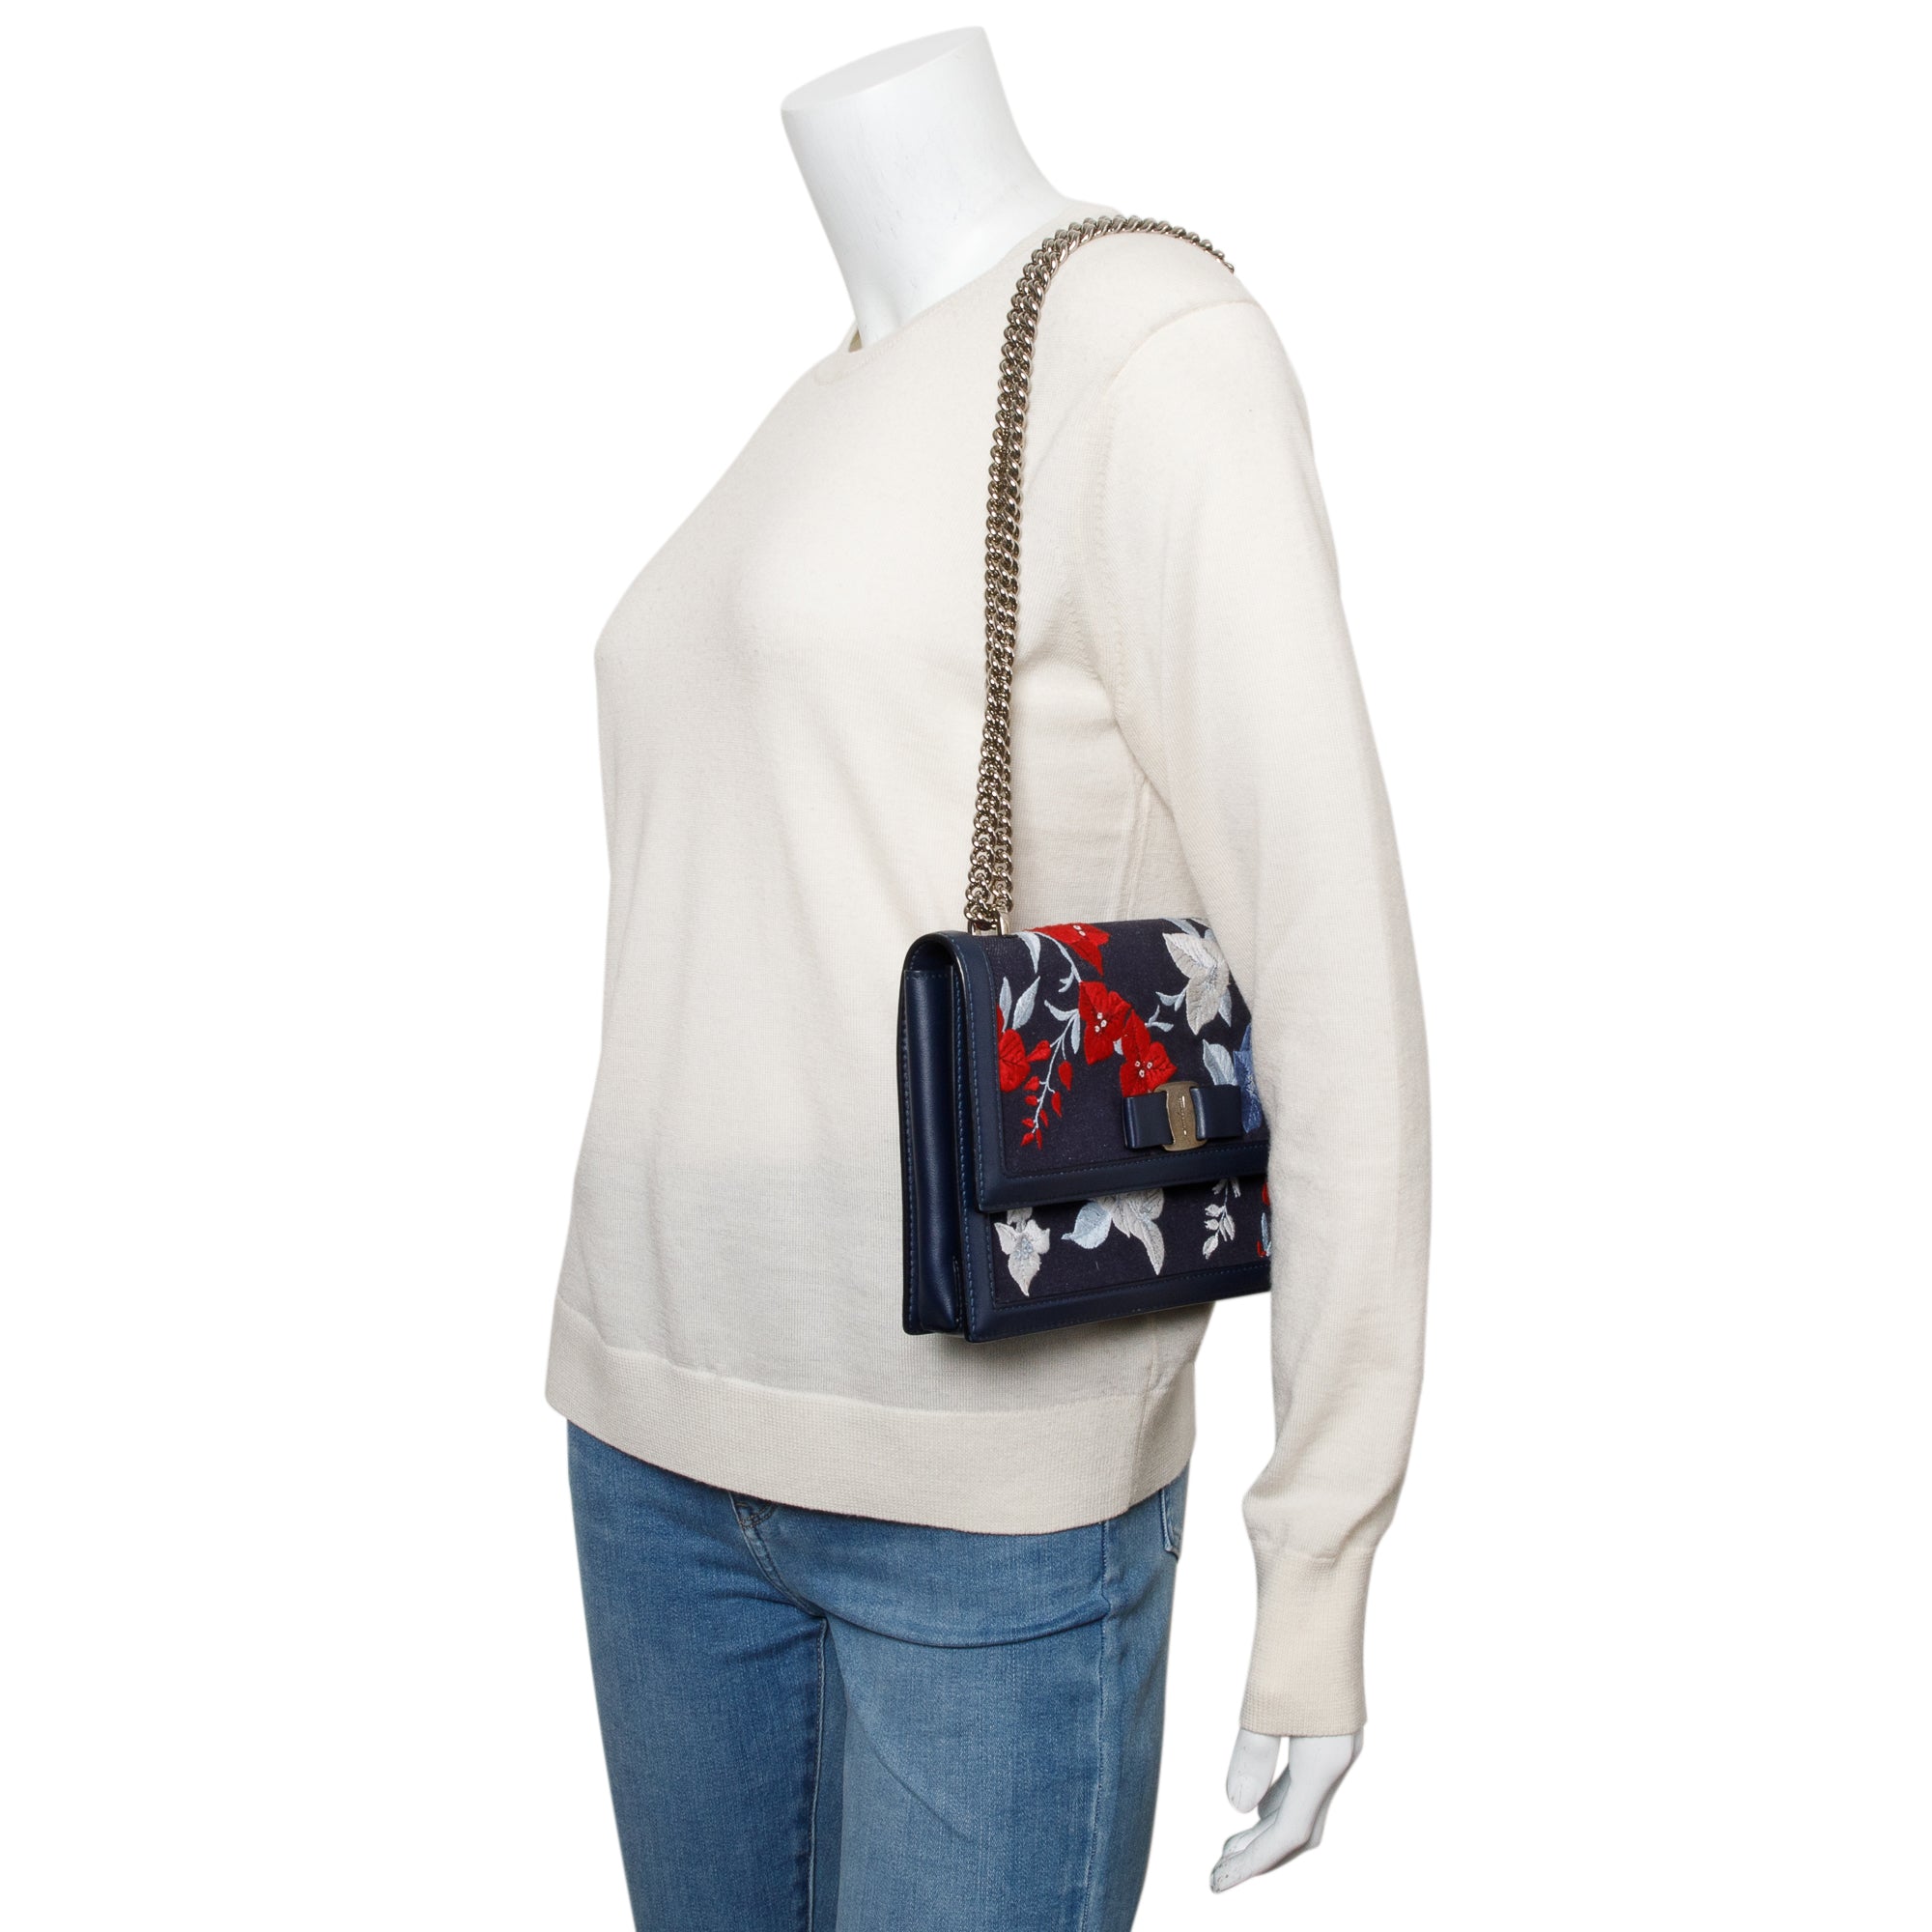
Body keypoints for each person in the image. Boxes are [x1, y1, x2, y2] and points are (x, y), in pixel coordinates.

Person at [547, 28, 1430, 1931]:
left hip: (989, 1493)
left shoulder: (1149, 347)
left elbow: (1331, 966)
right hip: (644, 1425)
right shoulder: (814, 403)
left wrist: (1319, 1564)